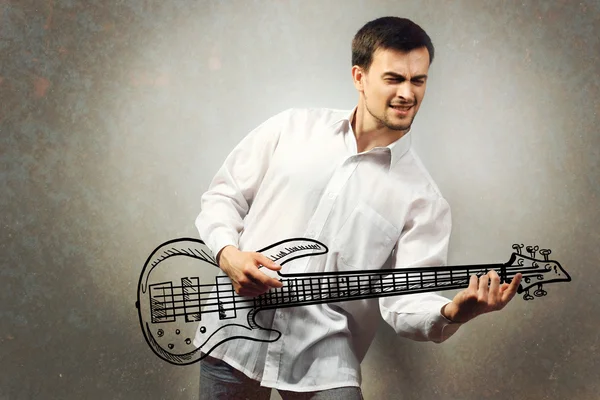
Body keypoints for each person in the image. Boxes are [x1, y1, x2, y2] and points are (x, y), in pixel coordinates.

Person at [194, 16, 522, 400]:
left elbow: (405, 301)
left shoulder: (424, 200)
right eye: (394, 78)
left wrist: (450, 313)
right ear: (359, 77)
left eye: (419, 80)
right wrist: (228, 254)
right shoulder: (292, 127)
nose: (407, 93)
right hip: (233, 333)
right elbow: (222, 197)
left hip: (323, 356)